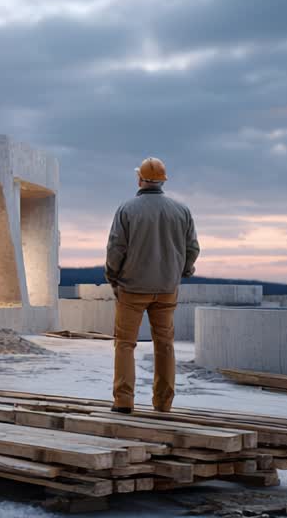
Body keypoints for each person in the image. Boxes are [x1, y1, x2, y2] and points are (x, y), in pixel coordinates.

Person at [104, 157, 200, 414]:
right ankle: (163, 403)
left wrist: (112, 276)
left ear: (140, 179)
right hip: (167, 288)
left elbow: (116, 249)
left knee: (125, 344)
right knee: (165, 345)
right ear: (162, 180)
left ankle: (124, 401)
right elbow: (192, 248)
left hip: (132, 288)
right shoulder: (181, 210)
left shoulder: (127, 209)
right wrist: (182, 271)